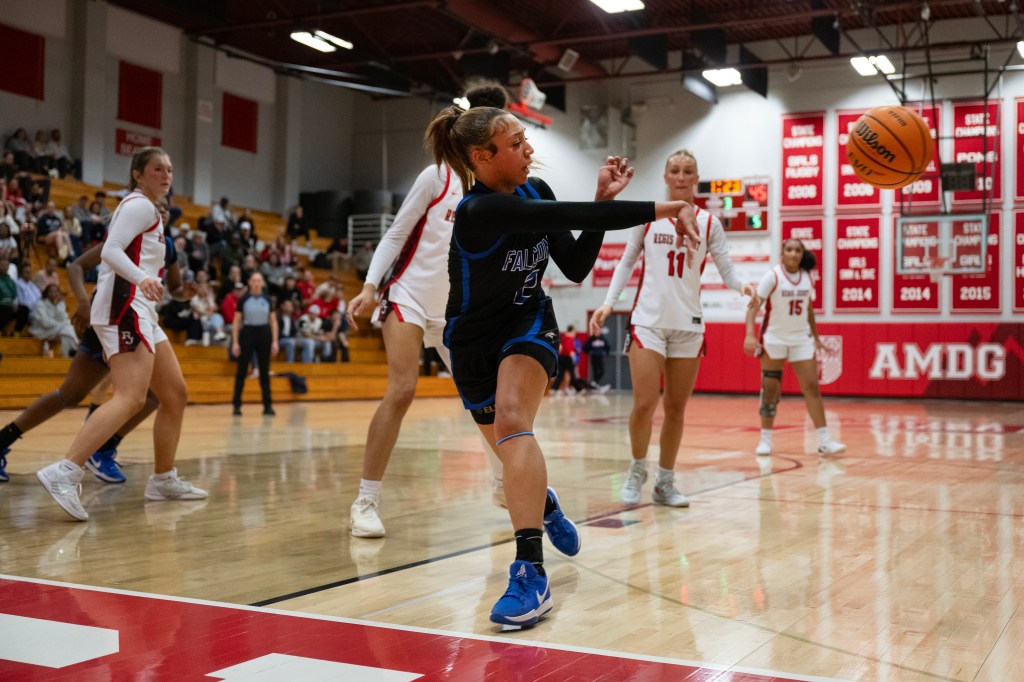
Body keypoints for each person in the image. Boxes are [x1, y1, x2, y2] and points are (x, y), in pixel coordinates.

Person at [425, 103, 700, 627]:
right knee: (512, 453)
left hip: (529, 324)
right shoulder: (479, 211)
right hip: (471, 345)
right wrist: (645, 207)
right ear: (483, 158)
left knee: (512, 422)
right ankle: (544, 502)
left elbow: (574, 267)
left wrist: (613, 204)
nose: (530, 150)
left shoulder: (537, 192)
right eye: (516, 144)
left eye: (527, 140)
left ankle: (530, 572)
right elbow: (569, 220)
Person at [345, 81, 514, 540]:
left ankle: (504, 482)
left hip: (459, 311)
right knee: (401, 389)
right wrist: (368, 287)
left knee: (487, 401)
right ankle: (365, 501)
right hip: (409, 295)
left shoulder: (503, 189)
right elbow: (397, 234)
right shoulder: (437, 175)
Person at [35, 147, 206, 520]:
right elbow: (110, 251)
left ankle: (163, 479)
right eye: (157, 169)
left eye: (170, 170)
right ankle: (65, 471)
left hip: (142, 311)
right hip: (123, 307)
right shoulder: (138, 205)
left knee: (174, 394)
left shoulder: (152, 216)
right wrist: (142, 277)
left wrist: (167, 285)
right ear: (137, 174)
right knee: (130, 397)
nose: (165, 175)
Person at [590, 149, 757, 509]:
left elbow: (727, 270)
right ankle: (637, 470)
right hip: (647, 322)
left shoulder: (710, 223)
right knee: (645, 404)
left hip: (688, 325)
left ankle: (665, 482)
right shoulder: (646, 217)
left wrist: (742, 286)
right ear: (665, 177)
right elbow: (626, 261)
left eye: (688, 171)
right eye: (675, 171)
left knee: (677, 409)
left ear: (696, 178)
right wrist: (608, 301)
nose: (681, 177)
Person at [0, 234, 188, 484]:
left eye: (166, 207)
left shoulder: (168, 244)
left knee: (159, 394)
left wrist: (185, 292)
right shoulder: (130, 229)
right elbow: (76, 266)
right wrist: (83, 301)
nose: (161, 209)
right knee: (70, 394)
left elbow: (175, 289)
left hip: (139, 321)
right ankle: (5, 440)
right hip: (111, 317)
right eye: (159, 204)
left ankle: (105, 449)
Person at [744, 238, 846, 457]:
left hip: (801, 339)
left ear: (802, 254)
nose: (793, 253)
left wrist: (816, 337)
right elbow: (754, 305)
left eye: (797, 250)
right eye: (789, 249)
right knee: (771, 390)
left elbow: (808, 309)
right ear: (782, 252)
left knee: (812, 387)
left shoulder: (807, 277)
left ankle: (824, 440)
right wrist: (750, 334)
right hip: (774, 338)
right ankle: (765, 440)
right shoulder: (772, 276)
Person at [231, 271, 278, 416]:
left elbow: (273, 321)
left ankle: (268, 406)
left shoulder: (267, 299)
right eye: (254, 280)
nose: (257, 283)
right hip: (247, 333)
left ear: (262, 283)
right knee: (241, 370)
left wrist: (275, 341)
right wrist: (235, 342)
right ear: (250, 282)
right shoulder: (244, 299)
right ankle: (237, 405)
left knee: (264, 371)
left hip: (264, 334)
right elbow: (236, 321)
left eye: (259, 281)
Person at [28, 284, 78, 356]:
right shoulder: (40, 304)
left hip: (58, 330)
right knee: (67, 329)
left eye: (55, 291)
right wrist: (61, 324)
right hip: (42, 330)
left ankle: (69, 355)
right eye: (51, 291)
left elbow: (65, 319)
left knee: (66, 334)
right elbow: (45, 323)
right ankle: (74, 349)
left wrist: (57, 306)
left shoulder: (60, 303)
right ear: (47, 293)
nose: (53, 293)